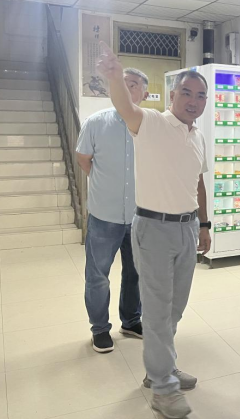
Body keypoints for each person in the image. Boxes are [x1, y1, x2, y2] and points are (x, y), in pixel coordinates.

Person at [96, 43, 212, 420]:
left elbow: (198, 183)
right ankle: (163, 388)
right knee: (158, 311)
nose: (193, 101)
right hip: (153, 228)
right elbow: (124, 107)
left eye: (200, 95)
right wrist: (115, 77)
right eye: (186, 93)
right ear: (172, 95)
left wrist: (204, 224)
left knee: (175, 308)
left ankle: (161, 368)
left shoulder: (197, 136)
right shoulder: (151, 122)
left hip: (187, 228)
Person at [76, 68, 148, 354]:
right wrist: (105, 184)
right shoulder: (95, 122)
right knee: (98, 276)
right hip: (104, 215)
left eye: (134, 85)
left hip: (140, 215)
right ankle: (99, 329)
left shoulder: (151, 124)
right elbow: (84, 159)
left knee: (136, 273)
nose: (127, 89)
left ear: (144, 92)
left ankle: (131, 321)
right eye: (122, 84)